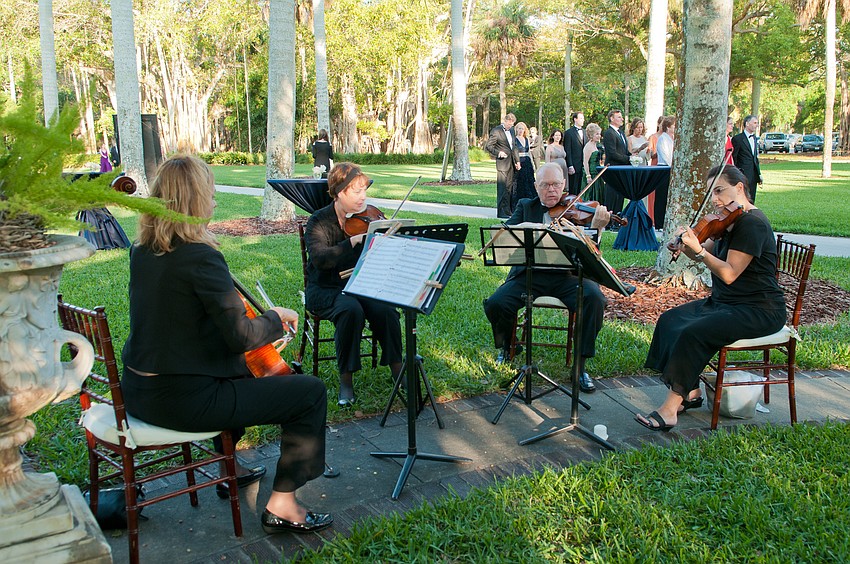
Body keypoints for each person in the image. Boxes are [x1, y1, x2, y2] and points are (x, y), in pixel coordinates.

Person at [120, 155, 333, 534]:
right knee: (310, 393)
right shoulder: (201, 256)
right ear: (193, 201)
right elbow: (240, 335)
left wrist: (249, 346)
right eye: (211, 194)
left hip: (139, 391)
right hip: (183, 402)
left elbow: (181, 328)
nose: (215, 201)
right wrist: (273, 318)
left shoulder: (143, 251)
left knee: (242, 374)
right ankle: (282, 504)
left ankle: (227, 470)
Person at [635, 165, 785, 431]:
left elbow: (728, 273)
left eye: (719, 190)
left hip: (759, 309)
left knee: (694, 333)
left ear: (739, 188)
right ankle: (690, 393)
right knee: (671, 320)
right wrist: (687, 245)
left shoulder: (752, 224)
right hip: (726, 303)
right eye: (711, 193)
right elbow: (705, 253)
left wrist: (700, 252)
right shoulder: (728, 222)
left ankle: (670, 409)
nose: (715, 199)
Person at [483, 163, 611, 394]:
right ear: (536, 186)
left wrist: (597, 230)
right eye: (545, 185)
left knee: (594, 299)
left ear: (564, 184)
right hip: (530, 274)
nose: (552, 190)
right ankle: (507, 347)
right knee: (496, 303)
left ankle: (580, 366)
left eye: (556, 185)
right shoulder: (525, 206)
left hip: (569, 276)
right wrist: (528, 227)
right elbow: (504, 236)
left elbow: (592, 254)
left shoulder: (576, 209)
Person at [304, 162, 403, 406]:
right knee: (350, 310)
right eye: (357, 192)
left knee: (385, 310)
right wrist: (352, 242)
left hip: (360, 285)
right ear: (339, 192)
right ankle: (346, 380)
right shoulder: (318, 221)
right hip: (325, 289)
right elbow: (320, 259)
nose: (363, 198)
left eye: (365, 192)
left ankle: (398, 369)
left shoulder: (366, 217)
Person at [485, 113, 518, 218]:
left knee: (509, 188)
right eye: (509, 123)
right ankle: (501, 212)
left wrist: (517, 161)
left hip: (511, 163)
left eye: (512, 124)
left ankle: (508, 211)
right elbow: (489, 146)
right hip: (502, 163)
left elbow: (514, 147)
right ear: (505, 120)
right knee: (502, 188)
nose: (510, 126)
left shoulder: (512, 131)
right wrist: (498, 153)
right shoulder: (496, 131)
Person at [601, 109, 629, 225]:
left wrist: (632, 157)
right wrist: (628, 159)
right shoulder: (609, 133)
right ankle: (609, 221)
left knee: (620, 195)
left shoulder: (621, 133)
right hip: (613, 169)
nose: (621, 119)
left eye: (621, 117)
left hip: (622, 169)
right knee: (612, 195)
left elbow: (624, 151)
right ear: (612, 118)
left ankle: (618, 219)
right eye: (619, 117)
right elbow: (612, 153)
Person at [731, 115, 763, 202]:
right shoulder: (737, 139)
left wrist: (759, 174)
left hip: (754, 175)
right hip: (743, 174)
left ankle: (751, 214)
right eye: (755, 123)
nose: (756, 125)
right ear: (747, 124)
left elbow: (755, 158)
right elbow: (734, 158)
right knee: (742, 198)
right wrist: (737, 173)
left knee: (752, 199)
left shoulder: (755, 139)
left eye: (757, 123)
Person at [512, 122, 536, 206]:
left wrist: (532, 164)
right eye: (519, 128)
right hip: (519, 162)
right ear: (516, 129)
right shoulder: (514, 139)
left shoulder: (526, 139)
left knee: (529, 182)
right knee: (519, 183)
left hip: (527, 162)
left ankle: (531, 203)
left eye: (522, 129)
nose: (521, 130)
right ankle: (517, 204)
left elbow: (528, 152)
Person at [564, 112, 586, 195]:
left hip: (584, 165)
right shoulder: (569, 133)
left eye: (583, 118)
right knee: (573, 188)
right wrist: (570, 165)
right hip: (574, 165)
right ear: (575, 119)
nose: (583, 120)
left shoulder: (585, 132)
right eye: (581, 118)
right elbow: (568, 150)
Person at [582, 123, 605, 203]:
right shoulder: (588, 146)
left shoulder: (597, 145)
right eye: (597, 134)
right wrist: (588, 176)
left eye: (599, 134)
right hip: (591, 174)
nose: (599, 136)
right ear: (591, 135)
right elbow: (585, 162)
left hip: (598, 173)